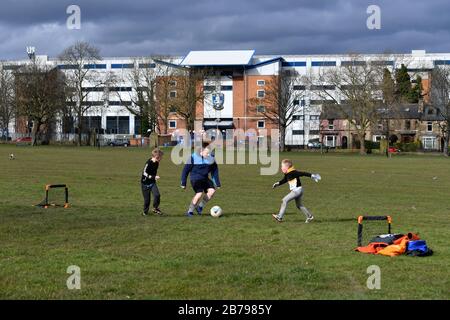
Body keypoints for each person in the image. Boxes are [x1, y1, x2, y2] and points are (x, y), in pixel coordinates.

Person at [181, 144, 221, 217]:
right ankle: (190, 211)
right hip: (195, 178)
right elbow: (185, 170)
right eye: (207, 152)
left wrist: (217, 183)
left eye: (210, 152)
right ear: (201, 151)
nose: (209, 154)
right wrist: (183, 183)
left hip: (205, 178)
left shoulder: (211, 159)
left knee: (212, 191)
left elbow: (214, 171)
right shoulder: (193, 157)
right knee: (199, 193)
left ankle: (200, 207)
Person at [141, 148, 164, 216]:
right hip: (145, 183)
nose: (161, 158)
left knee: (157, 195)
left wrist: (154, 177)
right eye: (161, 157)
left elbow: (153, 172)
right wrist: (153, 177)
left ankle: (155, 208)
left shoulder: (157, 163)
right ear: (157, 157)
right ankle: (145, 212)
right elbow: (144, 173)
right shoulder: (148, 163)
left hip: (152, 182)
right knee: (147, 200)